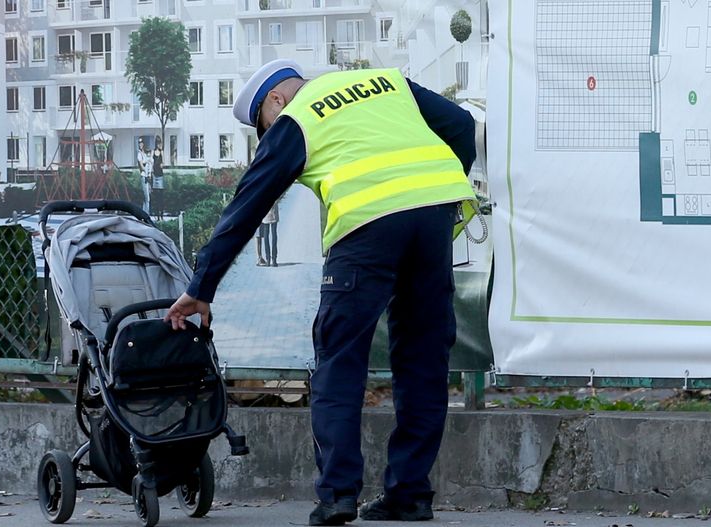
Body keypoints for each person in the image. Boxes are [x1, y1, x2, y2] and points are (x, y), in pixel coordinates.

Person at [164, 59, 477, 525]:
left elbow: (248, 204)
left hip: (366, 225)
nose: (269, 138)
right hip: (433, 216)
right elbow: (462, 124)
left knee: (339, 358)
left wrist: (201, 287)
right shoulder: (385, 81)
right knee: (423, 358)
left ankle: (338, 494)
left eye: (264, 129)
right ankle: (410, 494)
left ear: (275, 100)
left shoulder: (298, 117)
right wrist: (440, 190)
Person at [260, 201, 279, 267]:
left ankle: (268, 259)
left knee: (266, 236)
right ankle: (274, 259)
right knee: (274, 235)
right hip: (274, 211)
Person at [152, 136, 165, 220]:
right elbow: (151, 162)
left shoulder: (161, 152)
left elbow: (163, 162)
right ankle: (156, 215)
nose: (158, 144)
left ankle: (161, 214)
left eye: (159, 142)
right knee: (155, 196)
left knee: (161, 196)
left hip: (160, 176)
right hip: (154, 175)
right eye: (157, 142)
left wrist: (162, 165)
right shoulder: (153, 152)